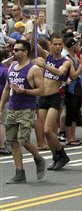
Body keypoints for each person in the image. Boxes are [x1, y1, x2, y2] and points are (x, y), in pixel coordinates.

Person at [0, 40, 46, 183]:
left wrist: (24, 90)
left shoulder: (33, 69)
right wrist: (0, 107)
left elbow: (41, 90)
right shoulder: (12, 67)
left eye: (17, 50)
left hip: (26, 108)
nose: (14, 52)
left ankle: (38, 158)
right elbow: (7, 88)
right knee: (12, 141)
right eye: (13, 50)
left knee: (24, 139)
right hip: (13, 108)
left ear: (25, 52)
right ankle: (19, 172)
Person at [32, 33, 73, 171]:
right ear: (50, 44)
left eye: (60, 44)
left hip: (55, 97)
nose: (57, 47)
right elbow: (33, 44)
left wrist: (43, 64)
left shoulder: (65, 61)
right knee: (45, 133)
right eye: (54, 44)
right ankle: (56, 157)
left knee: (48, 129)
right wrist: (33, 26)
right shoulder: (47, 55)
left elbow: (60, 73)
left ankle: (62, 154)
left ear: (63, 45)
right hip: (43, 98)